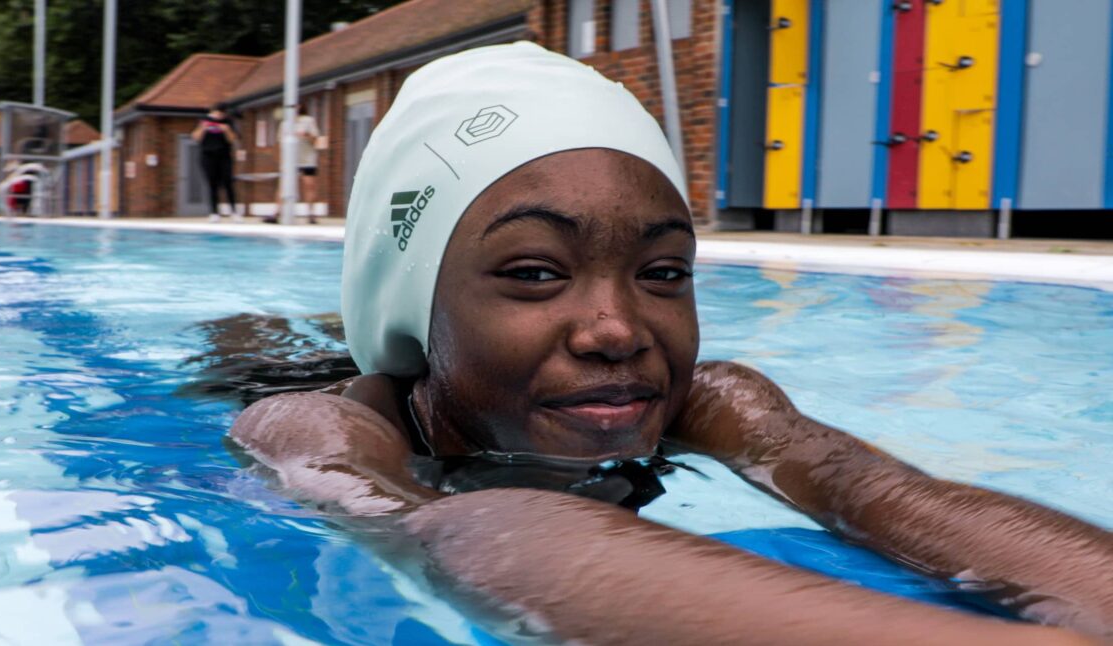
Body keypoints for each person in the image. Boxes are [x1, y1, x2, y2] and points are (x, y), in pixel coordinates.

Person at [230, 43, 1111, 644]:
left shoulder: (706, 398)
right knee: (258, 344)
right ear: (416, 307)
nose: (618, 330)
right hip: (287, 380)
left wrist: (795, 445)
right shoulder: (315, 430)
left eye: (662, 272)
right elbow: (429, 529)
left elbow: (866, 486)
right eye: (536, 273)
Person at [192, 104, 240, 222]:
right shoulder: (204, 120)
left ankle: (234, 211)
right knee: (212, 184)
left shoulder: (228, 122)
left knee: (228, 183)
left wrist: (226, 130)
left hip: (224, 156)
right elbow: (195, 137)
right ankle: (214, 212)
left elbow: (233, 139)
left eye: (221, 114)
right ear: (213, 112)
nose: (219, 116)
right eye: (217, 113)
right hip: (208, 156)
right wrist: (203, 128)